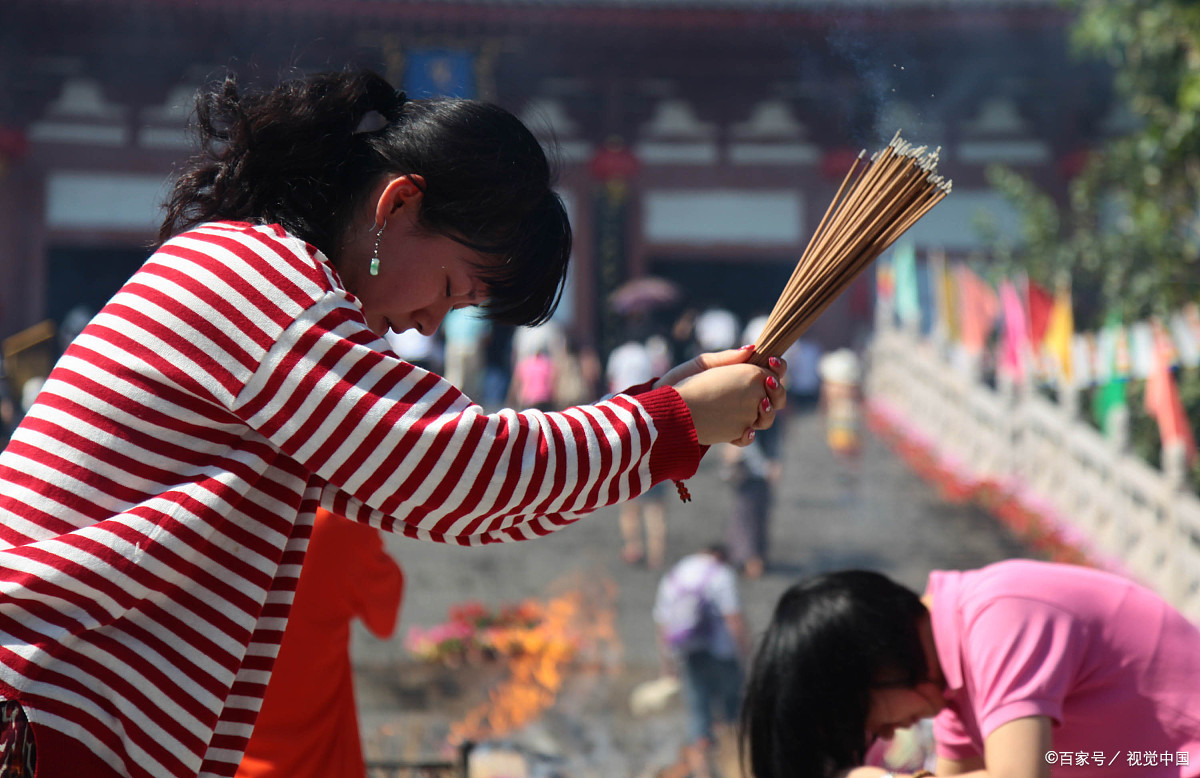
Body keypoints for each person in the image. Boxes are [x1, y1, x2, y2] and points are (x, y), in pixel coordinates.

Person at [0, 68, 785, 777]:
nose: (422, 325)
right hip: (39, 704)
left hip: (64, 710)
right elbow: (466, 472)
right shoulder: (265, 283)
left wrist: (664, 401)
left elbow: (456, 506)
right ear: (399, 202)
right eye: (448, 286)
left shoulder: (259, 276)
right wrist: (667, 426)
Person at [741, 559, 1200, 778]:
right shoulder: (948, 677)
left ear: (874, 660)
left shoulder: (1000, 616)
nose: (882, 736)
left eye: (863, 716)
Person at [235, 509, 403, 778]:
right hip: (326, 766)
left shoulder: (215, 518)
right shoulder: (339, 522)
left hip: (226, 762)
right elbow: (385, 619)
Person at [653, 545, 750, 778]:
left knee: (699, 715)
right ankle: (734, 769)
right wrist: (748, 656)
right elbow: (733, 619)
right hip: (723, 654)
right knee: (731, 714)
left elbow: (663, 624)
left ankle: (702, 773)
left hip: (689, 653)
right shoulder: (721, 574)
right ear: (720, 556)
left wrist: (667, 665)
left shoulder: (675, 575)